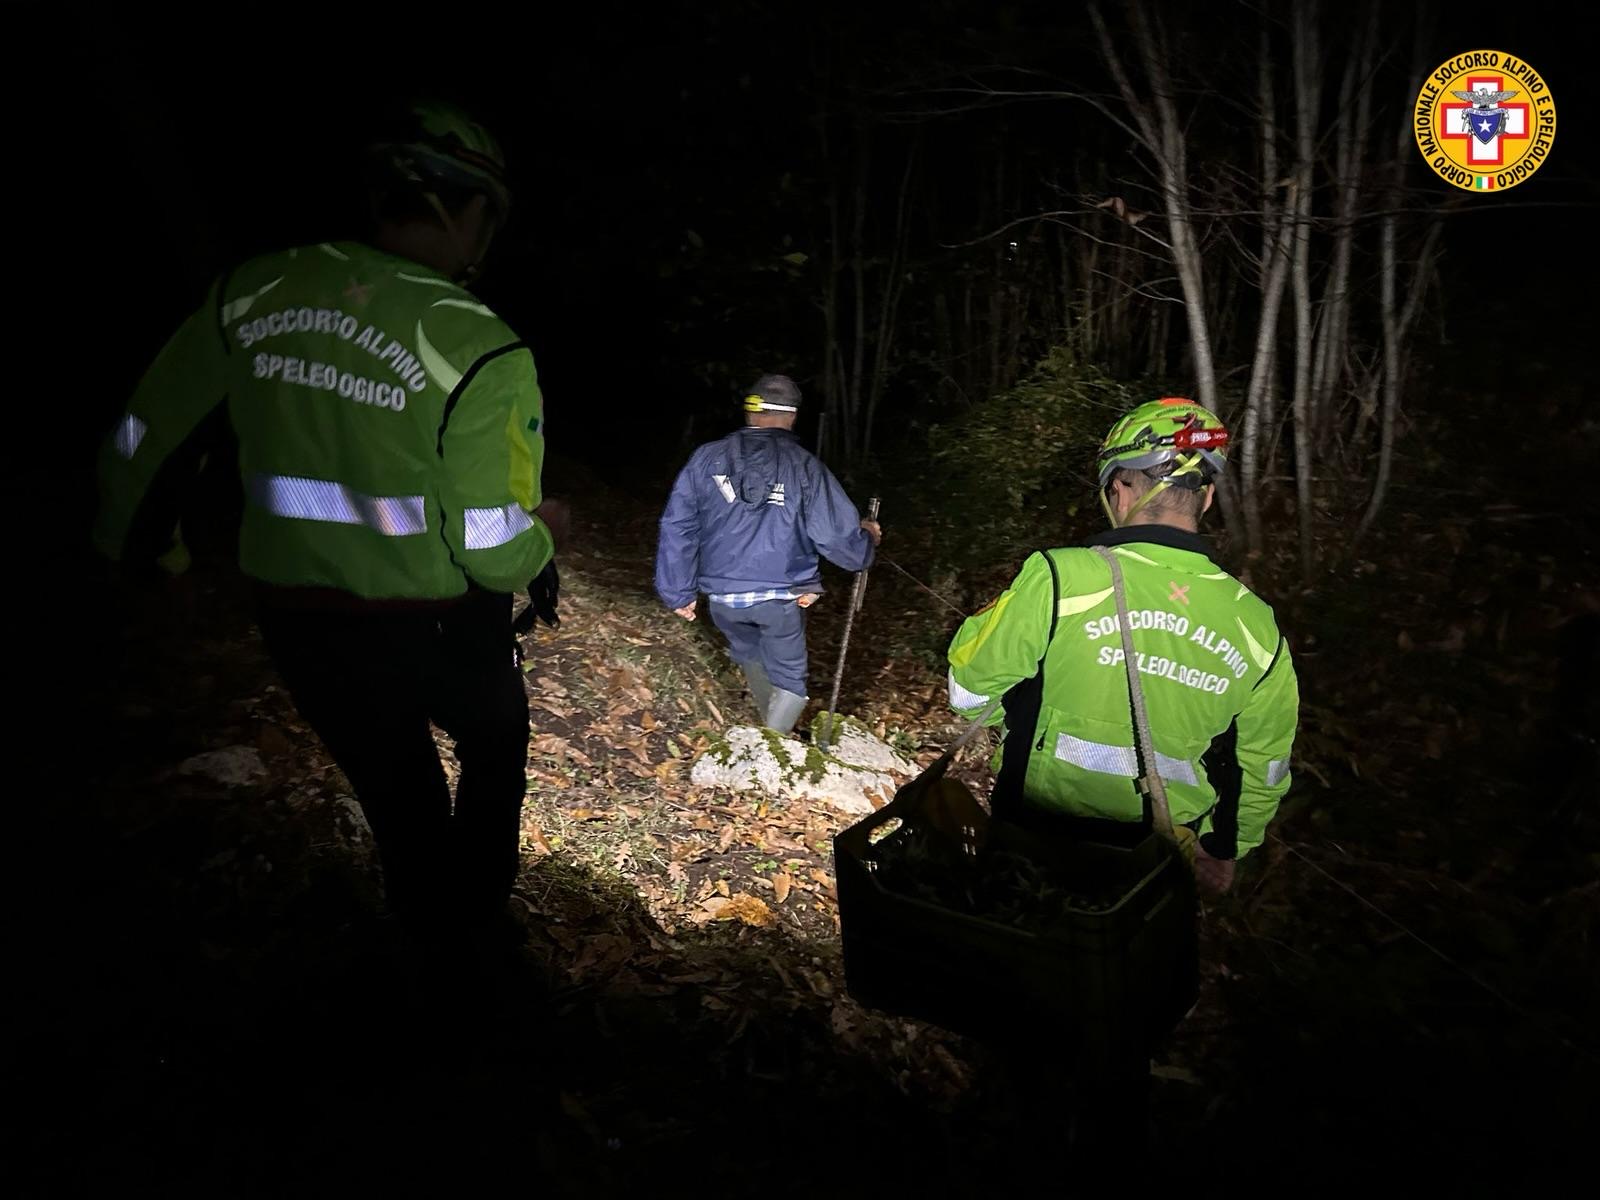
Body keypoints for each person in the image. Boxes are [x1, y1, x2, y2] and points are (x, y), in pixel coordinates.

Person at [94, 99, 565, 935]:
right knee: (495, 751)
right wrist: (550, 534)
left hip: (301, 618)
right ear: (473, 214)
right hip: (445, 625)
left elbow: (143, 437)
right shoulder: (482, 344)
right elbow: (493, 549)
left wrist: (148, 559)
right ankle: (477, 940)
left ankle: (430, 945)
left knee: (401, 802)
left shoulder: (257, 288)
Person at [945, 397, 1299, 893]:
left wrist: (1021, 711)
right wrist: (1224, 848)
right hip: (1156, 863)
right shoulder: (1259, 626)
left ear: (1119, 490)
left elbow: (967, 692)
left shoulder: (1060, 577)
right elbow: (1264, 765)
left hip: (1034, 842)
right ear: (1208, 499)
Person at [655, 374, 881, 733]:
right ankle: (770, 753)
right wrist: (867, 540)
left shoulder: (707, 458)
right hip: (779, 599)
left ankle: (774, 733)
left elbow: (678, 525)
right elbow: (837, 540)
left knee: (749, 654)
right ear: (792, 417)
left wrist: (677, 591)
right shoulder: (805, 466)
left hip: (722, 600)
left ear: (750, 413)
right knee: (790, 678)